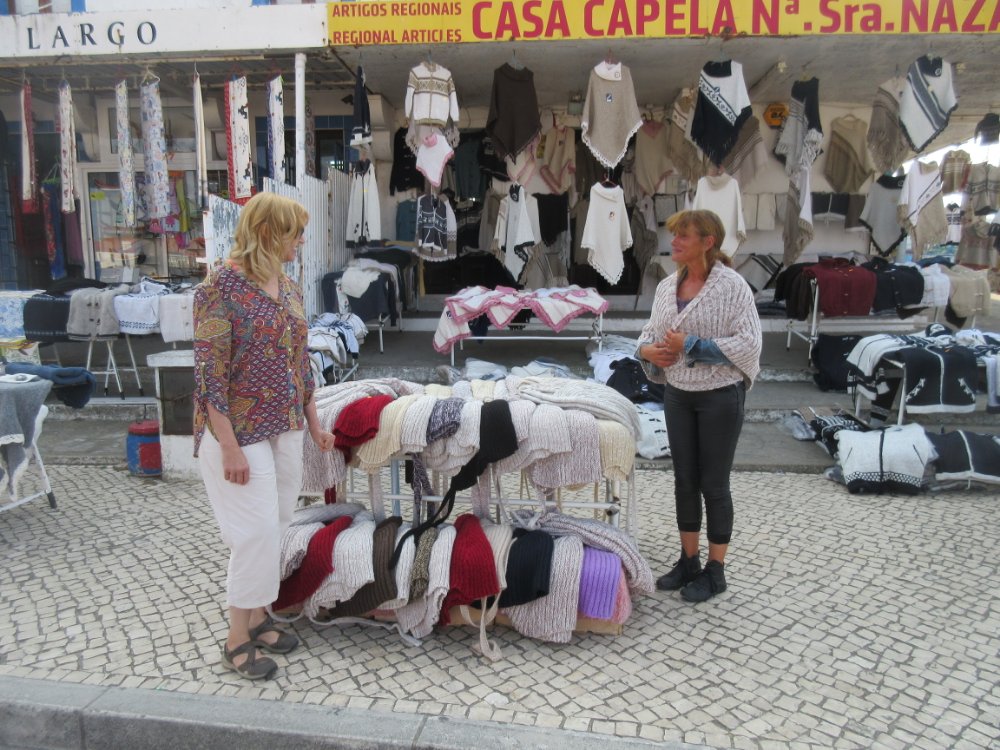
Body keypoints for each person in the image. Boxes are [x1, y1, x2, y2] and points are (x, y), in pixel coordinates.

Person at [193, 192, 335, 680]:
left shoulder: (288, 287)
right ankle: (236, 639)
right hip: (238, 431)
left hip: (286, 425)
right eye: (296, 233)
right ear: (270, 232)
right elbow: (209, 374)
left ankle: (257, 618)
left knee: (275, 524)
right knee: (253, 533)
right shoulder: (219, 287)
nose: (302, 242)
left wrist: (314, 423)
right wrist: (229, 446)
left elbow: (301, 362)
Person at [636, 209, 761, 603]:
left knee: (714, 485)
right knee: (684, 481)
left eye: (683, 236)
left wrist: (691, 345)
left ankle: (715, 571)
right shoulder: (665, 287)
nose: (674, 242)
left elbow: (749, 344)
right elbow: (648, 335)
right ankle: (688, 560)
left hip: (720, 397)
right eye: (674, 235)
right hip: (678, 394)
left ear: (708, 242)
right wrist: (648, 351)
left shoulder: (733, 287)